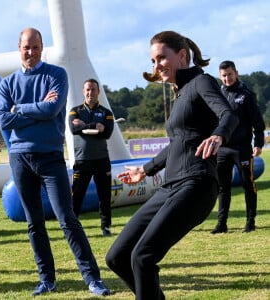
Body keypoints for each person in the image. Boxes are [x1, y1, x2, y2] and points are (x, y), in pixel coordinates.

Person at [105, 30, 239, 300]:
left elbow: (228, 113)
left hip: (196, 184)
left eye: (161, 58)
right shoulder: (180, 94)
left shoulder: (201, 82)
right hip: (170, 186)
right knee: (117, 257)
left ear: (181, 55)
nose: (156, 66)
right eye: (153, 61)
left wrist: (218, 135)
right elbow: (178, 143)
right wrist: (145, 169)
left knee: (142, 256)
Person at [0, 28, 110, 297]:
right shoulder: (7, 83)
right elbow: (3, 119)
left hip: (50, 158)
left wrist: (19, 109)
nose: (31, 52)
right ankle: (47, 280)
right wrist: (34, 110)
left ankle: (93, 279)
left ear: (42, 47)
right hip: (20, 159)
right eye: (26, 47)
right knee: (34, 223)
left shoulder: (56, 74)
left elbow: (52, 109)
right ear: (19, 47)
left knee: (67, 219)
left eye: (35, 47)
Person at [211, 60, 265, 234]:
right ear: (220, 76)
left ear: (236, 73)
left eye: (230, 75)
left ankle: (250, 222)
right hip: (222, 150)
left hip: (242, 149)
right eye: (224, 76)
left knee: (247, 184)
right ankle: (222, 224)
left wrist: (258, 143)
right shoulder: (217, 94)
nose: (227, 78)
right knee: (222, 187)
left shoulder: (246, 94)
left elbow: (258, 122)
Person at [69, 78, 114, 237]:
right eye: (87, 89)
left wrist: (83, 125)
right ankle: (72, 227)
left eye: (93, 89)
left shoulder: (106, 113)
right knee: (76, 195)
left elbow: (107, 133)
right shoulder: (75, 111)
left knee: (104, 196)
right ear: (83, 91)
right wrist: (95, 126)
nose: (90, 93)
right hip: (82, 161)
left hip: (102, 161)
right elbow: (73, 129)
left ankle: (106, 226)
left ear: (98, 92)